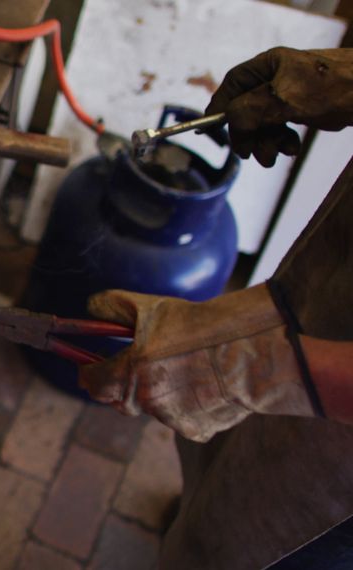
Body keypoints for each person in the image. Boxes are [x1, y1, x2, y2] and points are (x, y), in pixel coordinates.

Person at [78, 46, 353, 569]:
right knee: (217, 475)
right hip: (322, 304)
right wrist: (338, 79)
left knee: (251, 549)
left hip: (340, 473)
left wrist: (251, 368)